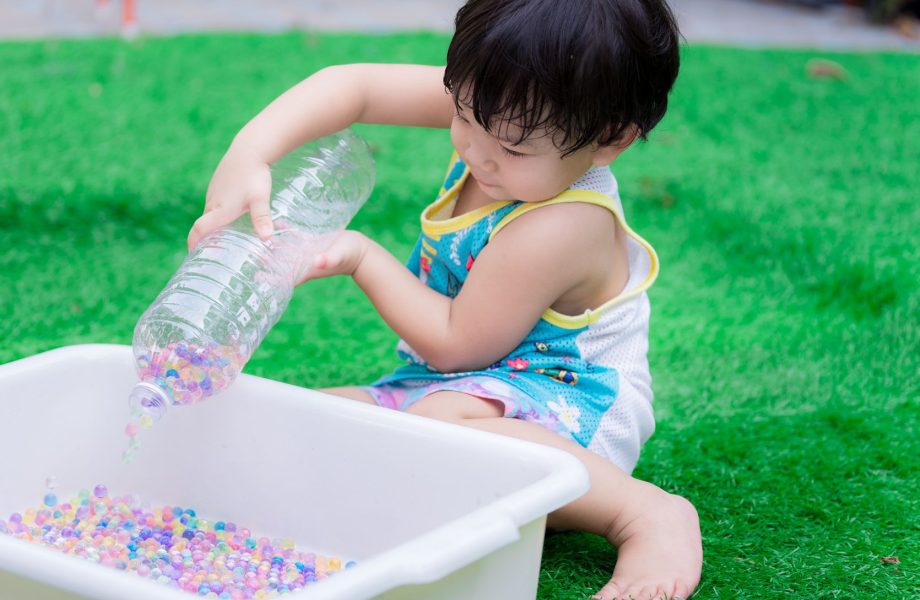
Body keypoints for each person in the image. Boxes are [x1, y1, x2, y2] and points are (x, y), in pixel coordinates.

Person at [188, 0, 702, 598]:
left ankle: (641, 513)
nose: (475, 150)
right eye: (461, 113)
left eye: (511, 149)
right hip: (459, 388)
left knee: (437, 429)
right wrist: (247, 155)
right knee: (305, 421)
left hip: (569, 409)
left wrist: (359, 257)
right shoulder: (501, 106)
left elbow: (456, 343)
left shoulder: (560, 224)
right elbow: (351, 86)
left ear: (609, 138)